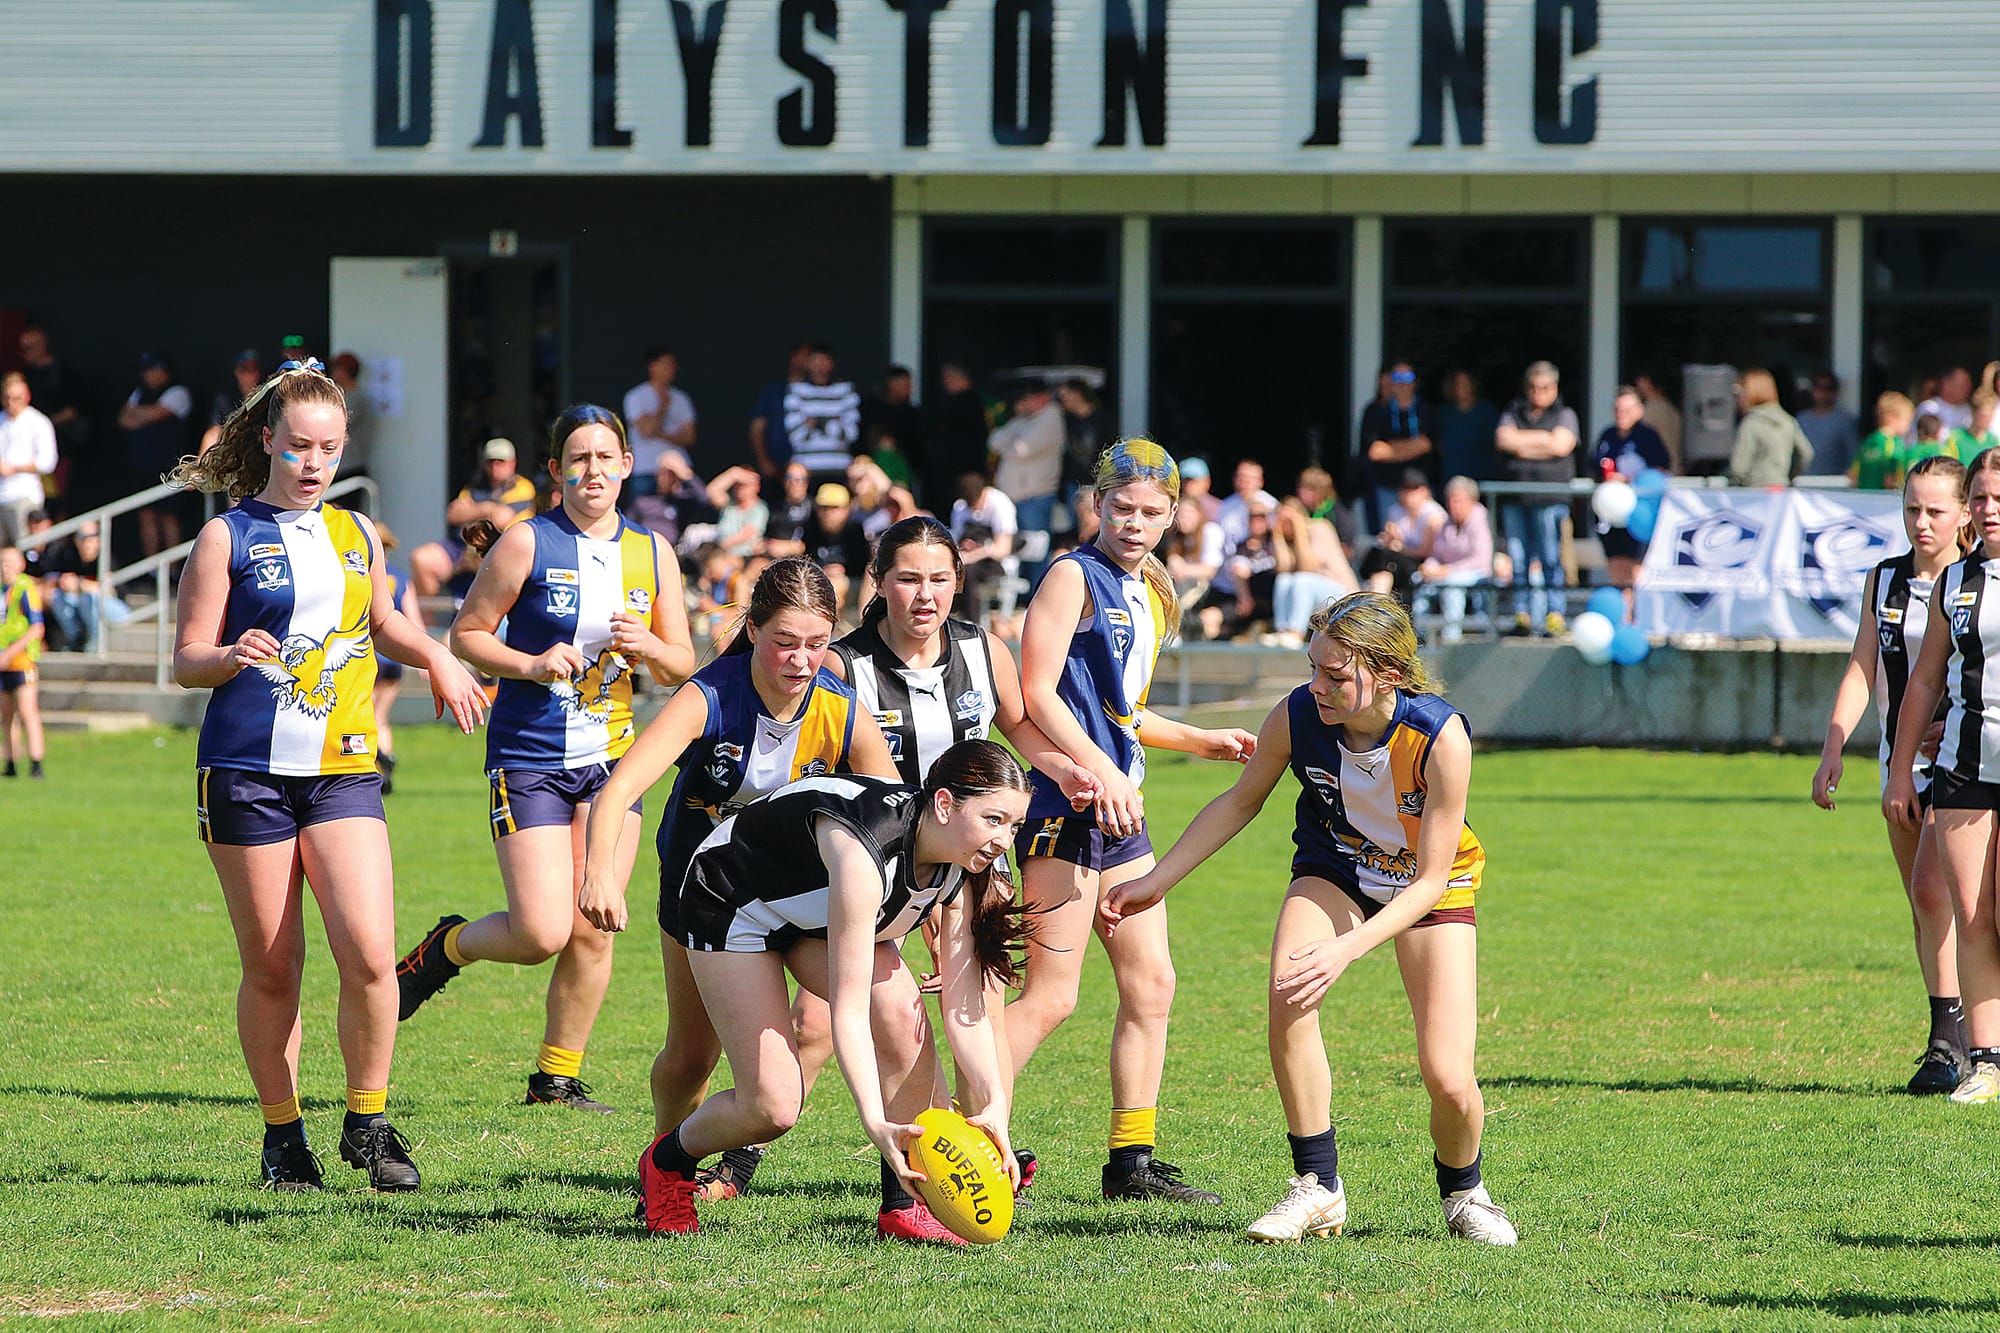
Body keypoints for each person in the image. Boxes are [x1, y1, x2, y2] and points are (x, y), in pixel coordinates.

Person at [1102, 592, 1516, 1245]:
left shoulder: (1442, 736)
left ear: (1388, 674)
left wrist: (1348, 950)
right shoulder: (1297, 714)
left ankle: (1465, 1191)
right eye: (1313, 668)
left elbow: (1432, 876)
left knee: (1448, 1075)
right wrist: (1154, 881)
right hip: (1338, 867)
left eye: (1336, 674)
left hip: (1431, 885)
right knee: (1288, 991)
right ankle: (1316, 1186)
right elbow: (1240, 801)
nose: (1317, 685)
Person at [167, 360, 487, 1192]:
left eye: (330, 449)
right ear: (268, 439)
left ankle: (368, 1123)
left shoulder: (355, 534)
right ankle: (283, 1139)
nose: (313, 463)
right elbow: (185, 659)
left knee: (373, 955)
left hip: (342, 771)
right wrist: (229, 653)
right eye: (300, 445)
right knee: (275, 966)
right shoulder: (225, 536)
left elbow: (384, 620)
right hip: (245, 772)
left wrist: (441, 660)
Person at [587, 742, 1031, 1240]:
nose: (1004, 840)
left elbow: (964, 1005)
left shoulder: (966, 861)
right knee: (772, 1108)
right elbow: (847, 1012)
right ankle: (668, 1162)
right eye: (994, 819)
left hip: (806, 909)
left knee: (904, 1020)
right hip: (731, 901)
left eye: (1014, 825)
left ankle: (905, 1206)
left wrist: (993, 1104)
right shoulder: (865, 851)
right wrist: (874, 1123)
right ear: (945, 804)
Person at [394, 405, 697, 1111]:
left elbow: (683, 660)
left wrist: (649, 649)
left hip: (614, 762)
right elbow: (468, 634)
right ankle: (446, 947)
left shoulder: (654, 553)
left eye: (607, 457)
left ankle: (555, 1079)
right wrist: (530, 662)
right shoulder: (528, 541)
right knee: (539, 930)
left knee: (596, 923)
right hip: (529, 757)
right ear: (557, 471)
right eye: (579, 459)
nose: (595, 470)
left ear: (627, 465)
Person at [578, 557, 898, 1200]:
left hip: (794, 897)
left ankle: (899, 1189)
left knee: (833, 1023)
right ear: (752, 630)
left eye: (816, 644)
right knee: (691, 1055)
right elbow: (618, 792)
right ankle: (668, 1162)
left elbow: (896, 810)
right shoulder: (710, 696)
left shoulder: (842, 708)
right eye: (784, 641)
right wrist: (599, 875)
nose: (801, 660)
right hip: (706, 894)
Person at [1009, 439, 1257, 1204]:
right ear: (1097, 505)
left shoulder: (1146, 588)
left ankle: (1130, 1163)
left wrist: (1197, 739)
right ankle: (958, 1128)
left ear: (1174, 514)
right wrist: (1105, 771)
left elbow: (1122, 710)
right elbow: (1036, 693)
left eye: (1151, 512)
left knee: (1152, 983)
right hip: (1068, 805)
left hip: (1117, 811)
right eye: (1122, 508)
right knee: (1052, 996)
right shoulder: (1070, 575)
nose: (1136, 523)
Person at [1816, 455, 1971, 1094]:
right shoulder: (1885, 581)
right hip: (1898, 766)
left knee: (1944, 893)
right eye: (1912, 509)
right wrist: (1834, 745)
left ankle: (1953, 1041)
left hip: (1968, 760)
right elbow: (1863, 665)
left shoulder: (1977, 581)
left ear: (1965, 513)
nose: (1922, 523)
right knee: (1925, 899)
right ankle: (1952, 1038)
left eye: (1936, 511)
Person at [1886, 448, 2000, 1105]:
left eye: (1996, 499)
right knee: (1972, 912)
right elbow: (1927, 676)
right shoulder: (1955, 583)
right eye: (1980, 497)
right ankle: (1984, 1061)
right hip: (1962, 767)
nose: (1988, 510)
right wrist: (1901, 770)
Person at [1494, 361, 1580, 638]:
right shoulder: (1513, 410)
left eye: (1544, 388)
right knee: (1518, 560)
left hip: (1549, 497)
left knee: (1551, 559)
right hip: (1516, 497)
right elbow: (1504, 439)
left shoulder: (1565, 414)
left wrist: (1523, 445)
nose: (1538, 393)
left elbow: (1562, 445)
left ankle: (1555, 615)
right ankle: (1523, 616)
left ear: (1554, 389)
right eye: (1533, 387)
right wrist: (1545, 443)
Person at [409, 439, 540, 598]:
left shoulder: (523, 487)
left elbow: (501, 518)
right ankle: (427, 622)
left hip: (499, 550)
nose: (495, 466)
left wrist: (476, 509)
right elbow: (453, 514)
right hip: (463, 547)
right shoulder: (474, 486)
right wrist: (489, 509)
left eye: (501, 461)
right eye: (491, 461)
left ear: (513, 463)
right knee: (421, 559)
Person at [1588, 386, 1673, 604]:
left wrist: (1626, 479)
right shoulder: (1608, 435)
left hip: (1638, 513)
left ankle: (1635, 616)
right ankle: (1624, 617)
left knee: (1635, 569)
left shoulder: (1648, 437)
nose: (1621, 414)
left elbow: (1660, 471)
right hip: (1611, 513)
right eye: (1617, 409)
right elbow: (1595, 466)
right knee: (1616, 567)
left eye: (1627, 409)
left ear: (1639, 410)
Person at [120, 352, 194, 556]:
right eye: (146, 371)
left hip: (169, 466)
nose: (149, 375)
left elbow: (159, 413)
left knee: (168, 516)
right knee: (146, 515)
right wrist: (145, 415)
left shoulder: (178, 392)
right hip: (142, 466)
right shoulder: (140, 392)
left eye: (154, 370)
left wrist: (142, 415)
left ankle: (171, 569)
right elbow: (124, 419)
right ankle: (152, 569)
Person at [368, 523, 423, 794]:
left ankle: (373, 764)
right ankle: (386, 765)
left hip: (369, 655)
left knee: (365, 715)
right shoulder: (400, 578)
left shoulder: (360, 574)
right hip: (394, 660)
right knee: (381, 717)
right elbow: (415, 621)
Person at [988, 382, 1065, 563]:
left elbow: (1020, 449)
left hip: (1035, 497)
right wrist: (1017, 425)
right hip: (1014, 497)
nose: (1024, 402)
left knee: (1036, 552)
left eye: (1029, 398)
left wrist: (1009, 444)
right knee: (1017, 552)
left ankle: (1039, 589)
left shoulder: (1051, 418)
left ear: (1043, 397)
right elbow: (993, 441)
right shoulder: (1024, 419)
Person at [1415, 478, 1497, 643]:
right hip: (1448, 571)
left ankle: (1451, 638)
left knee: (1452, 584)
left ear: (1472, 500)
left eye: (1458, 500)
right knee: (1418, 580)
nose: (1453, 504)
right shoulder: (1447, 522)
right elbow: (1437, 554)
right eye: (1450, 500)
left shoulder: (1481, 519)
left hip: (1478, 574)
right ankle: (1419, 635)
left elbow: (1481, 560)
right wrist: (1429, 567)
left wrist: (1447, 570)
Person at [1270, 497, 1360, 647]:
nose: (1286, 525)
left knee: (1302, 579)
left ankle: (1295, 632)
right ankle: (1282, 631)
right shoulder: (1287, 539)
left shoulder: (1320, 527)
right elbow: (1282, 569)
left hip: (1343, 595)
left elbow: (1308, 567)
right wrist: (1278, 537)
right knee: (1283, 579)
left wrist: (1299, 531)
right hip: (1314, 596)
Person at [1357, 363, 1435, 531]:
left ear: (1415, 382)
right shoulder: (1376, 411)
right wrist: (1412, 446)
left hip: (1419, 489)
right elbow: (1376, 452)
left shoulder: (1425, 410)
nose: (1402, 383)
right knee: (1390, 539)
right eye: (1396, 377)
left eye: (1408, 377)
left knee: (1425, 541)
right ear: (1389, 381)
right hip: (1387, 487)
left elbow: (1426, 444)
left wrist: (1391, 447)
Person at [1357, 470, 1445, 605]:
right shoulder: (1396, 511)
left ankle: (1375, 602)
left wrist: (1400, 547)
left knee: (1386, 561)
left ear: (1424, 491)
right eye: (1406, 490)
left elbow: (1425, 552)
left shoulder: (1433, 514)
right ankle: (1375, 602)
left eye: (1414, 489)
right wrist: (1390, 538)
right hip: (1396, 562)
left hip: (1424, 563)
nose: (1409, 495)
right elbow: (1390, 542)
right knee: (1381, 557)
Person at [623, 346, 697, 500]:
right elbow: (646, 430)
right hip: (646, 469)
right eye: (666, 364)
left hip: (678, 470)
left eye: (673, 364)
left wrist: (660, 434)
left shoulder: (681, 398)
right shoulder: (636, 397)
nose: (671, 369)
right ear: (652, 366)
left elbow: (689, 437)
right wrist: (662, 407)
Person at [785, 345, 863, 487]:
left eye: (824, 361)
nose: (819, 366)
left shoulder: (846, 391)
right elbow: (796, 436)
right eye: (815, 361)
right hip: (806, 472)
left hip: (839, 470)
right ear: (808, 364)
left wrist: (816, 423)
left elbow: (851, 434)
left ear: (831, 363)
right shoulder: (796, 391)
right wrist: (834, 422)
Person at [0, 545, 46, 779]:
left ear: (20, 564)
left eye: (8, 562)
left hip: (22, 660)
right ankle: (10, 762)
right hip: (3, 661)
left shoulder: (24, 588)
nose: (3, 567)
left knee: (28, 711)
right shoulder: (2, 589)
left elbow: (36, 627)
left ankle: (37, 763)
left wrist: (10, 653)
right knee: (6, 714)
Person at [0, 373, 58, 548]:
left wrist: (15, 468)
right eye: (7, 398)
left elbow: (48, 462)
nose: (12, 403)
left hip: (25, 496)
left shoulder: (38, 422)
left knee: (25, 550)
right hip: (1, 497)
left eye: (17, 398)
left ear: (27, 396)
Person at [1727, 369, 1812, 487]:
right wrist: (1788, 476)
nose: (1736, 399)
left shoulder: (1751, 423)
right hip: (1782, 489)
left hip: (1755, 492)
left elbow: (1738, 468)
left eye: (1739, 393)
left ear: (1750, 392)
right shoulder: (1787, 420)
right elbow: (1806, 453)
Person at [748, 340, 812, 483]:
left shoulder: (821, 393)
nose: (810, 361)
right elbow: (757, 429)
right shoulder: (774, 391)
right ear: (793, 358)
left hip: (810, 468)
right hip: (776, 467)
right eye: (806, 356)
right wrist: (764, 461)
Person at [804, 483, 872, 613]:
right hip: (820, 578)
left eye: (834, 507)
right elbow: (808, 560)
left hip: (850, 581)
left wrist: (843, 569)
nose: (827, 513)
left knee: (833, 587)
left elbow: (862, 564)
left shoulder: (854, 530)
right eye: (823, 507)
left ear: (846, 509)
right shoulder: (812, 530)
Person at [1435, 369, 1499, 484]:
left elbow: (1495, 444)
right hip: (1451, 478)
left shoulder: (1486, 411)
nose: (1460, 387)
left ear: (1473, 385)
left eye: (1465, 383)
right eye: (1456, 383)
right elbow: (1440, 446)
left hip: (1481, 478)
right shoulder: (1443, 413)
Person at [201, 350, 264, 456]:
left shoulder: (266, 396)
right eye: (244, 369)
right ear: (237, 372)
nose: (249, 374)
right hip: (233, 453)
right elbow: (214, 430)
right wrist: (201, 463)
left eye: (253, 369)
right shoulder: (224, 398)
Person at [1799, 372, 1860, 479]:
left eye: (1829, 388)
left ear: (1835, 391)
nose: (1823, 392)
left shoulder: (1845, 421)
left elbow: (1853, 456)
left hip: (1834, 485)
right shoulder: (1801, 419)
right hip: (1802, 483)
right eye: (1818, 387)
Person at [1852, 393, 1917, 490]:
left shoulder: (1868, 440)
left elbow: (1853, 475)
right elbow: (1891, 479)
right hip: (1883, 498)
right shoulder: (1895, 443)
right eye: (1907, 420)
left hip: (1863, 497)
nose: (1909, 426)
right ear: (1891, 418)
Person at [1634, 372, 1683, 475]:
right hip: (1676, 470)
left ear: (1647, 382)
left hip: (1658, 473)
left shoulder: (1650, 411)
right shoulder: (1671, 409)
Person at [1919, 366, 1975, 437]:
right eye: (1963, 385)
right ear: (1947, 385)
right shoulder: (1929, 408)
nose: (1969, 388)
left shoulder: (1971, 410)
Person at [1955, 390, 2000, 457]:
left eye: (1990, 416)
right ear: (1973, 413)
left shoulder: (1994, 441)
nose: (1987, 420)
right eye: (1983, 416)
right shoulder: (1956, 437)